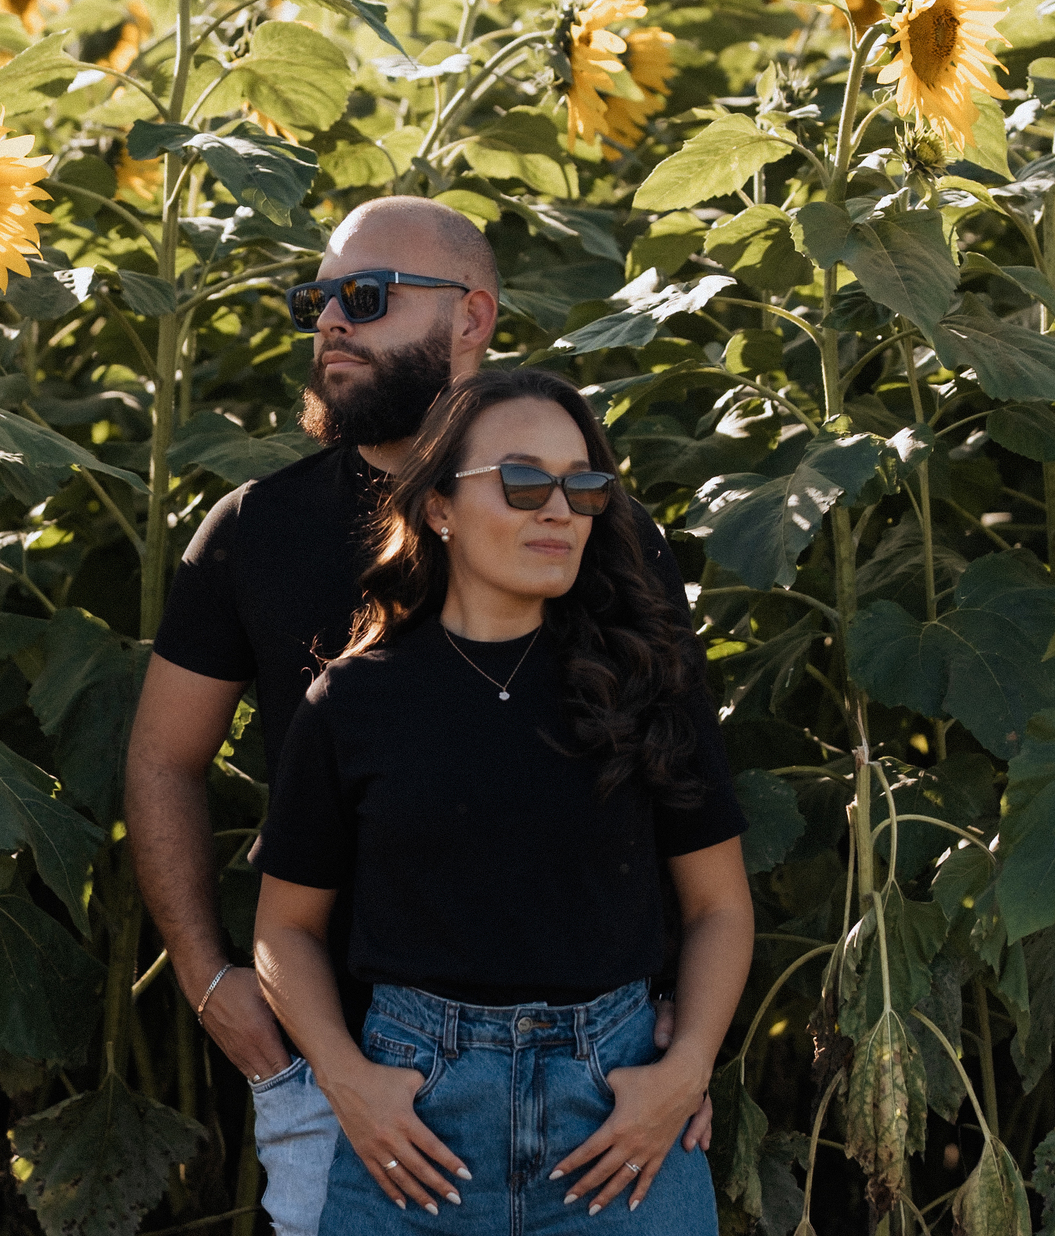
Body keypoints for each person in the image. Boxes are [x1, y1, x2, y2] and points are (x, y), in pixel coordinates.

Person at [125, 198, 714, 1236]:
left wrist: (673, 1056)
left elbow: (675, 796)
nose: (331, 323)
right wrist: (211, 980)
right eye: (317, 300)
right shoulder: (256, 529)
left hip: (603, 1098)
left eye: (366, 296)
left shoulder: (590, 532)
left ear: (473, 316)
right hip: (337, 1073)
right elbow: (165, 759)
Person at [253, 369, 754, 1233]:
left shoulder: (645, 684)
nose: (558, 508)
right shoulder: (353, 703)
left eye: (583, 485)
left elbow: (720, 906)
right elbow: (283, 927)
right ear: (439, 506)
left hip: (619, 1127)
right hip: (412, 1132)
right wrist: (346, 1079)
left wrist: (688, 1068)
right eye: (523, 482)